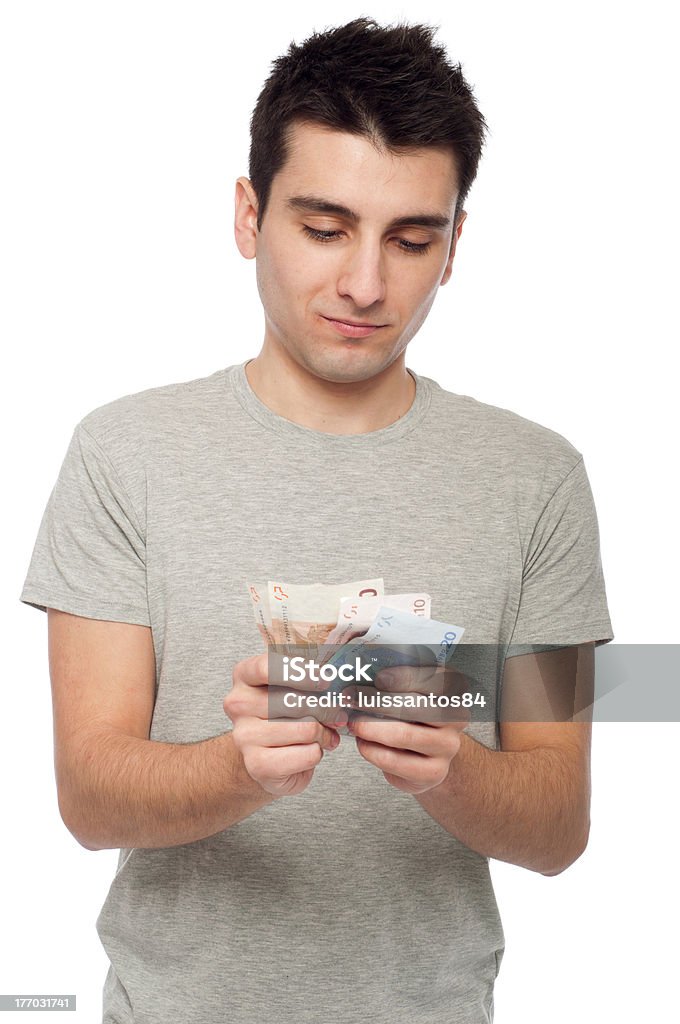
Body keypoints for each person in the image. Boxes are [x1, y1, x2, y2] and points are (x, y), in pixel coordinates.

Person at [19, 16, 613, 1024]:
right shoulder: (124, 455)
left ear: (455, 244)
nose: (365, 284)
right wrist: (234, 766)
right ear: (249, 216)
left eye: (411, 237)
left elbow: (557, 824)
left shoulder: (538, 480)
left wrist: (453, 770)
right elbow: (89, 792)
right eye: (324, 226)